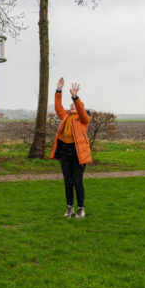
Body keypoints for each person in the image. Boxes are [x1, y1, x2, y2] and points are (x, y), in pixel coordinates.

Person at [50, 77, 91, 219]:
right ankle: (69, 208)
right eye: (71, 104)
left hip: (78, 154)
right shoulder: (65, 117)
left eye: (74, 105)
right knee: (68, 182)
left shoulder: (83, 118)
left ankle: (81, 209)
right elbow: (58, 107)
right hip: (65, 153)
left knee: (77, 181)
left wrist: (75, 97)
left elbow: (80, 109)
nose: (72, 106)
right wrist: (58, 90)